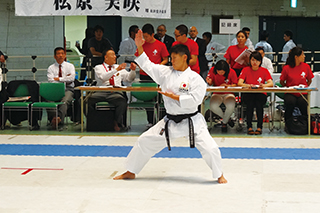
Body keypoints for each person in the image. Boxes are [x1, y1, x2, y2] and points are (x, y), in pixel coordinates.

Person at [113, 29, 227, 184]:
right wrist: (140, 47)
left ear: (184, 58)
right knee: (144, 141)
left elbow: (197, 99)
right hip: (170, 121)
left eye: (174, 58)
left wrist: (176, 97)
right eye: (171, 58)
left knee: (210, 148)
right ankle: (131, 171)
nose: (171, 61)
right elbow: (147, 65)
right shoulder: (165, 72)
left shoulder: (195, 78)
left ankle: (219, 174)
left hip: (192, 121)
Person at [87, 49, 136, 131]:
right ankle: (93, 121)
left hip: (115, 92)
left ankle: (116, 122)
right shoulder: (98, 67)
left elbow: (129, 79)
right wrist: (116, 70)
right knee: (87, 101)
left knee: (122, 101)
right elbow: (103, 78)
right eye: (112, 55)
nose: (115, 57)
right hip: (101, 92)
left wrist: (132, 70)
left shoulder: (118, 67)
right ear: (106, 57)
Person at [134, 23, 169, 127]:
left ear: (152, 34)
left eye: (146, 36)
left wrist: (157, 66)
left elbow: (166, 59)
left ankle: (161, 121)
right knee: (147, 98)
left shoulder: (160, 45)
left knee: (159, 98)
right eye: (143, 36)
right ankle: (150, 121)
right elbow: (138, 59)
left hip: (157, 74)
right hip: (144, 75)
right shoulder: (142, 45)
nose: (145, 39)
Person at [238, 51, 273, 135]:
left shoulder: (264, 71)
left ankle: (259, 127)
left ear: (260, 62)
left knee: (258, 105)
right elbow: (240, 82)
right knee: (250, 104)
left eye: (257, 60)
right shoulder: (245, 70)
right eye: (253, 60)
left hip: (260, 94)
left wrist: (263, 86)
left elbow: (270, 83)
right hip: (248, 93)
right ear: (250, 60)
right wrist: (247, 85)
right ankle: (249, 126)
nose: (255, 62)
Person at [280, 47, 314, 123]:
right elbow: (282, 81)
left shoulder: (306, 67)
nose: (304, 56)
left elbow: (309, 80)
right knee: (290, 102)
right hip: (290, 92)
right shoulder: (286, 68)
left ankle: (305, 123)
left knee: (303, 102)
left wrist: (304, 87)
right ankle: (288, 123)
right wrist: (288, 87)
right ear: (296, 57)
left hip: (302, 92)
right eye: (302, 54)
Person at [47, 47, 76, 129]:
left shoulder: (70, 66)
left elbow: (72, 79)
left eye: (62, 53)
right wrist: (65, 78)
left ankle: (58, 120)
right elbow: (51, 81)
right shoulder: (51, 68)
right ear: (54, 56)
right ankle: (56, 118)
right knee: (48, 100)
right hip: (54, 89)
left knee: (65, 101)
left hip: (68, 89)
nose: (60, 55)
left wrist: (59, 78)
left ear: (65, 55)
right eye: (58, 54)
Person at [206, 60, 237, 132]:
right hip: (217, 93)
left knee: (230, 106)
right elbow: (210, 82)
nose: (220, 73)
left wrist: (228, 86)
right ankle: (227, 119)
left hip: (229, 93)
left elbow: (235, 84)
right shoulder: (212, 70)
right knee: (213, 106)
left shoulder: (232, 72)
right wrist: (209, 82)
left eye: (222, 72)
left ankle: (224, 122)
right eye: (218, 71)